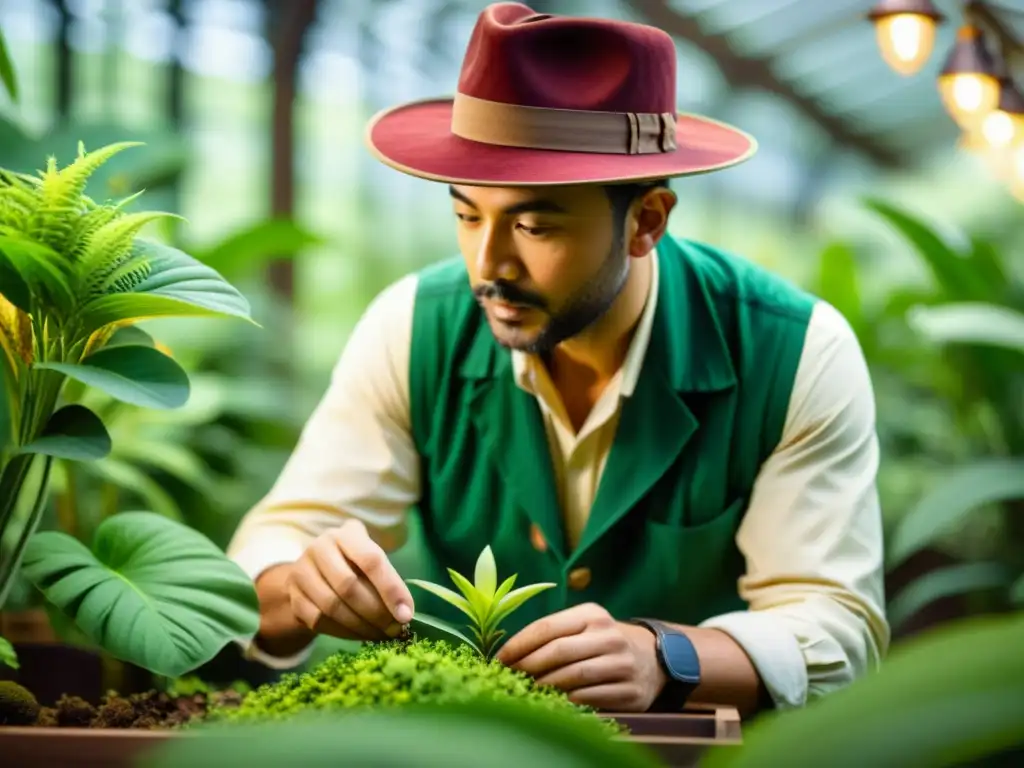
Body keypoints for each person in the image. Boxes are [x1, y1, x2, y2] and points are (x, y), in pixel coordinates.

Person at [226, 2, 889, 717]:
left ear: (646, 221)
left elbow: (837, 626)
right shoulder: (413, 327)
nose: (489, 264)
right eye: (466, 214)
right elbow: (269, 549)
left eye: (534, 224)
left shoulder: (794, 351)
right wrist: (303, 584)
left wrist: (669, 656)